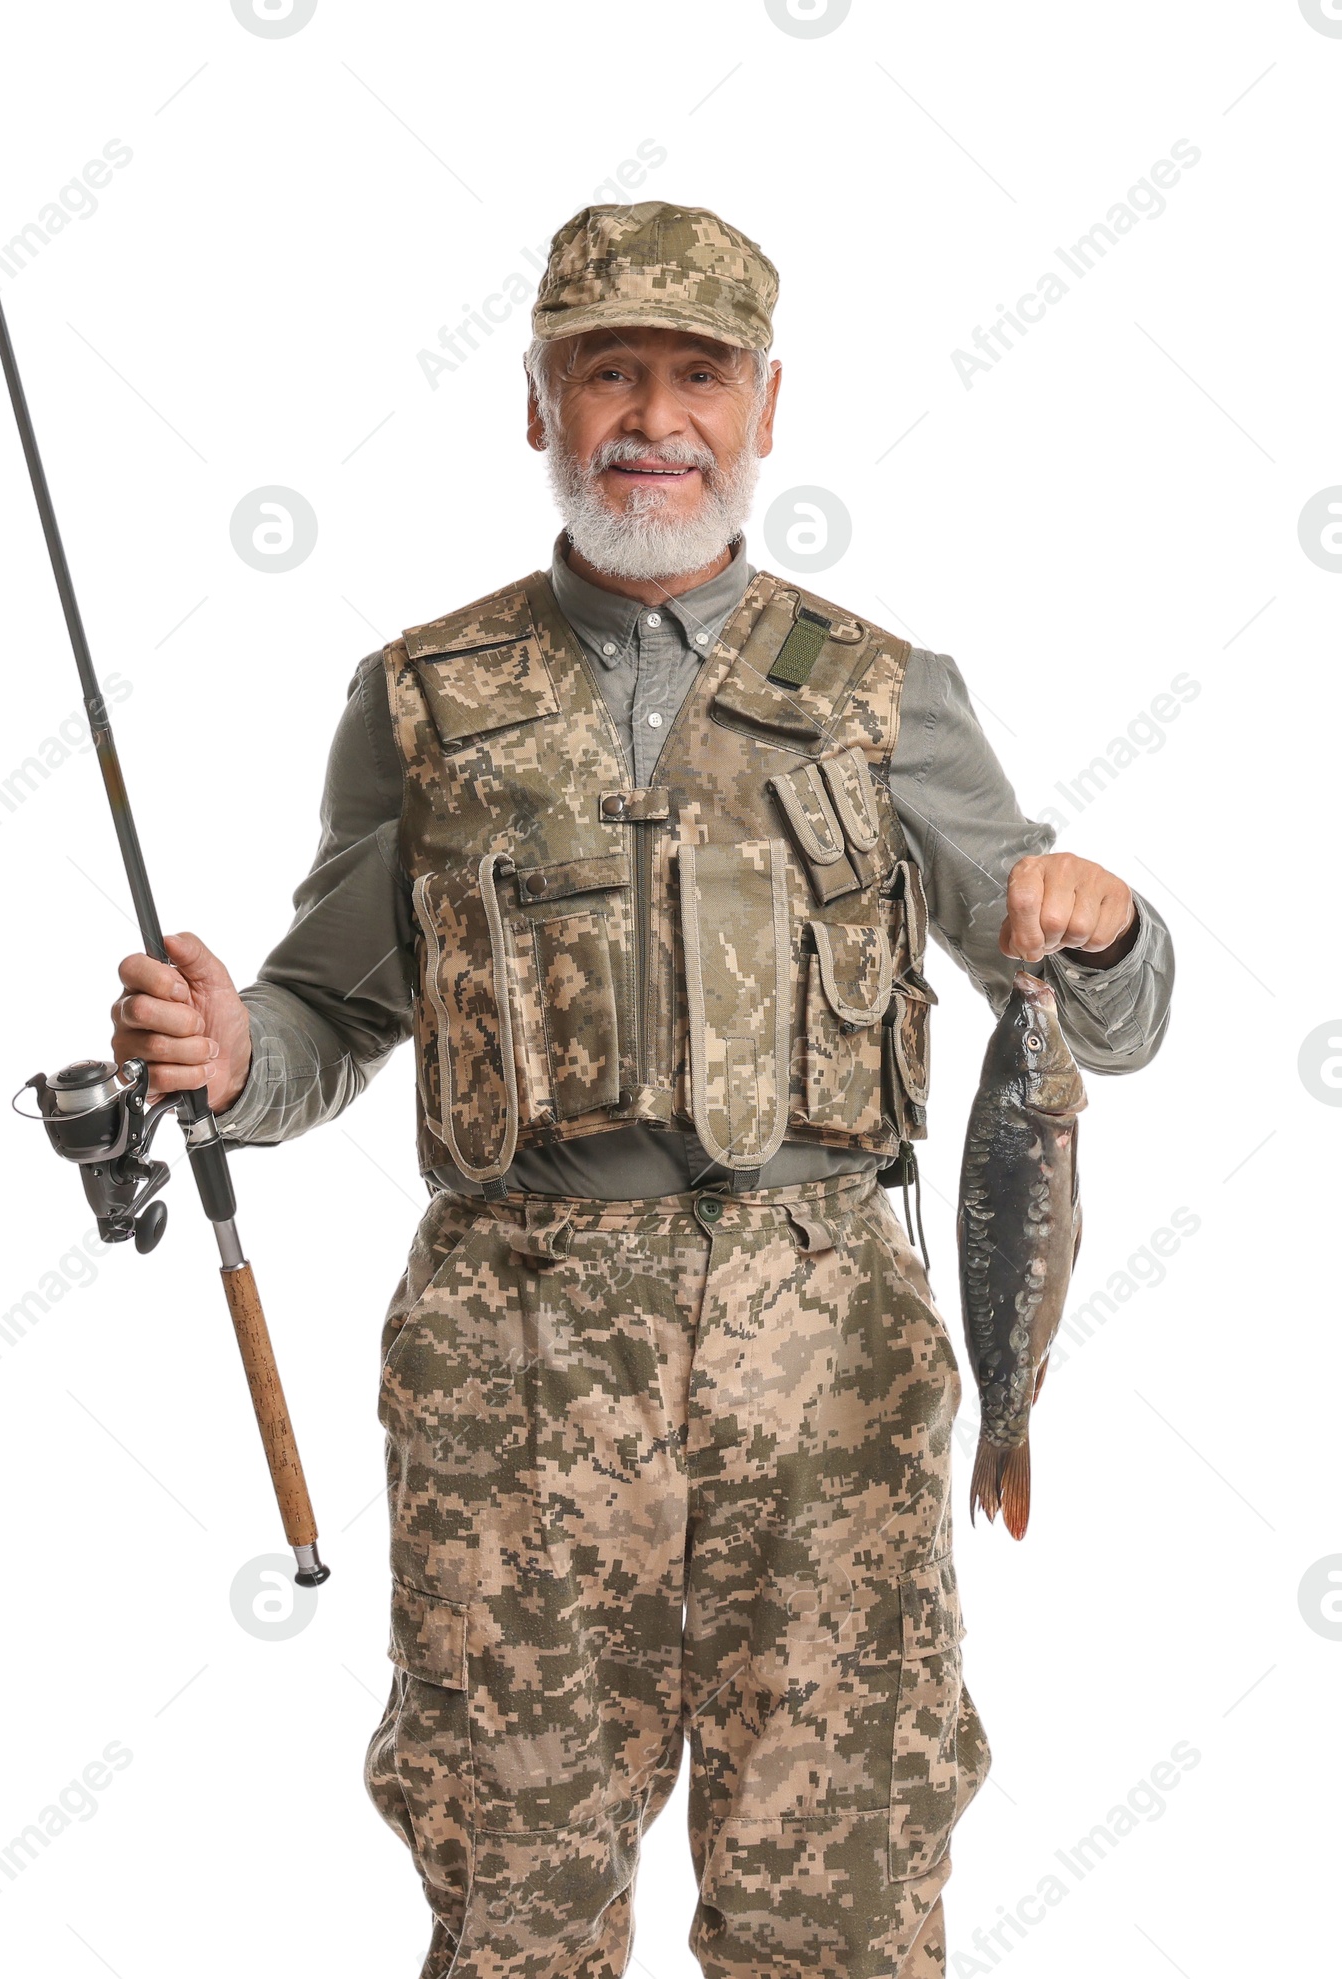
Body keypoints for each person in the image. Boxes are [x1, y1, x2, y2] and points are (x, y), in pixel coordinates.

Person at [110, 202, 1172, 1978]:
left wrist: (1109, 924)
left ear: (768, 404)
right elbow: (324, 1017)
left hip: (826, 1356)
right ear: (540, 404)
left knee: (838, 1902)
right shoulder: (423, 704)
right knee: (514, 1898)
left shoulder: (887, 698)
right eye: (608, 371)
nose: (652, 420)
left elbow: (1095, 1024)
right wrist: (234, 1065)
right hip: (510, 1369)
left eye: (698, 376)